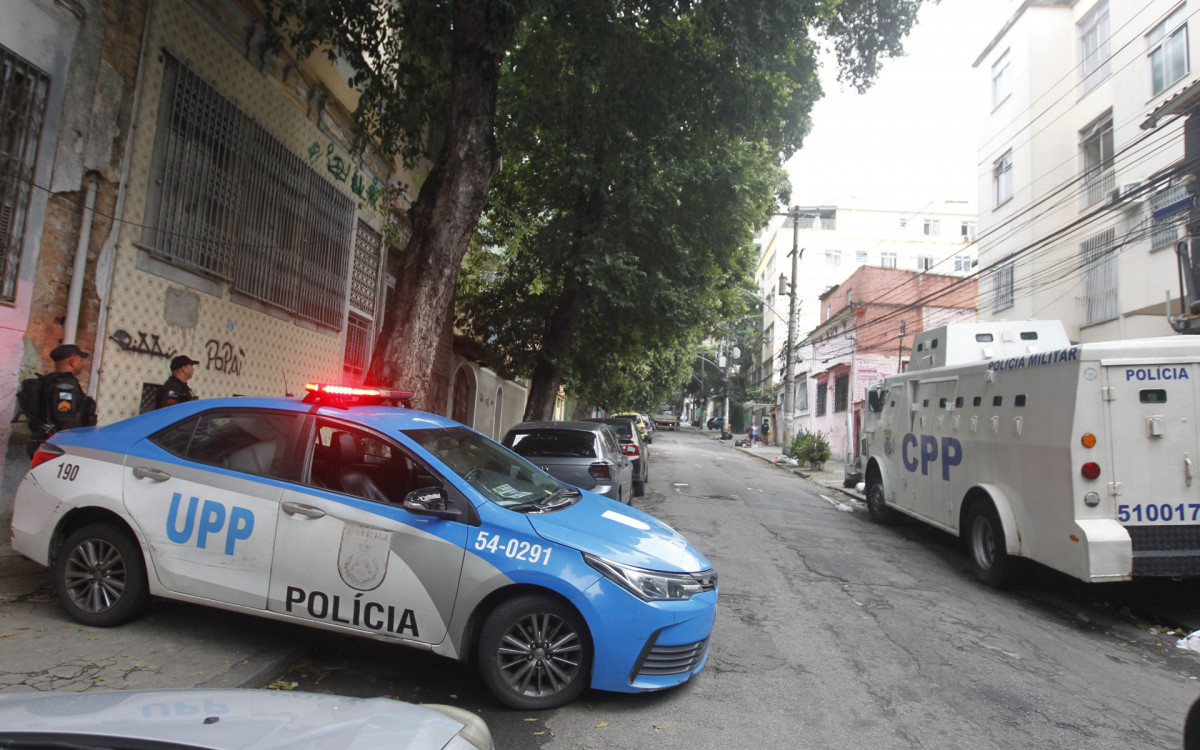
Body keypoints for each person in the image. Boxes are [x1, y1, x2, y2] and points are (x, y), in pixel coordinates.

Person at [23, 344, 97, 458]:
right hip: (56, 445)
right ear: (72, 362)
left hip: (47, 442)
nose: (82, 363)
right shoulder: (65, 386)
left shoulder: (51, 381)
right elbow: (64, 418)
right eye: (80, 360)